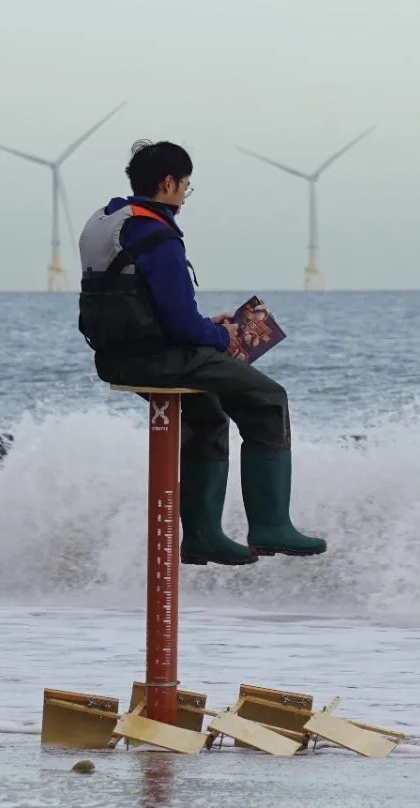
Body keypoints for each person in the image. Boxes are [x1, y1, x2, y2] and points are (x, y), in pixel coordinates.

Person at [76, 139, 326, 566]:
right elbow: (179, 323)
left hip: (117, 357)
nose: (184, 196)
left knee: (207, 415)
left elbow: (142, 304)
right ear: (168, 182)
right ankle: (270, 526)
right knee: (268, 400)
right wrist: (224, 336)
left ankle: (203, 536)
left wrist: (205, 328)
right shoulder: (157, 234)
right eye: (186, 186)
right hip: (159, 358)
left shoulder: (107, 221)